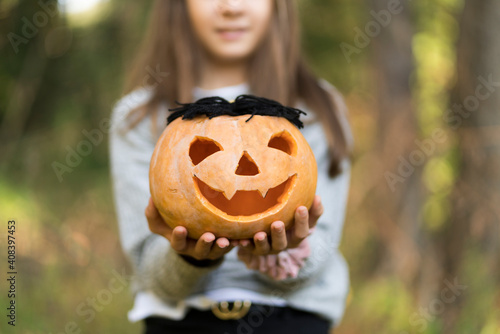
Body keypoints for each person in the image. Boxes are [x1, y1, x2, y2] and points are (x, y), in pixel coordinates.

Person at [110, 1, 353, 333]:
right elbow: (149, 271)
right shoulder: (138, 118)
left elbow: (322, 249)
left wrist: (290, 251)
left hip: (292, 320)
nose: (232, 7)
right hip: (181, 321)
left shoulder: (318, 108)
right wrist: (191, 257)